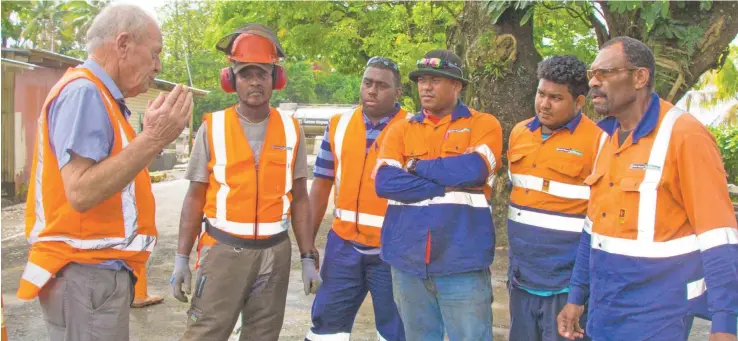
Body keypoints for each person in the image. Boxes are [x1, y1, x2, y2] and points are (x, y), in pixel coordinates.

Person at [18, 4, 192, 341]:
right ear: (123, 44)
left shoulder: (102, 97)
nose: (158, 66)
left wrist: (150, 139)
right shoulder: (86, 92)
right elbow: (81, 192)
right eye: (154, 53)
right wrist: (154, 137)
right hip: (85, 274)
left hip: (92, 275)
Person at [557, 36, 738, 341]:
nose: (593, 83)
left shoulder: (685, 136)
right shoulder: (606, 137)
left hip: (657, 316)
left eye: (605, 73)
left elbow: (719, 237)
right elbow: (594, 229)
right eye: (592, 74)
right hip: (604, 311)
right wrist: (577, 296)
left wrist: (725, 325)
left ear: (639, 77)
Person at [170, 24, 320, 341]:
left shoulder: (291, 130)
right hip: (223, 251)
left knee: (263, 335)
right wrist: (181, 258)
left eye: (262, 74)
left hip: (275, 255)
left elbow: (301, 200)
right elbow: (194, 197)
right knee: (205, 333)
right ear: (231, 80)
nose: (254, 81)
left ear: (274, 79)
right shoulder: (212, 128)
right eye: (246, 74)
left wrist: (308, 256)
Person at [373, 49, 503, 341]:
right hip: (407, 260)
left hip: (462, 261)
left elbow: (473, 170)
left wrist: (414, 165)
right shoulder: (399, 130)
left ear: (457, 85)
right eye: (421, 80)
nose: (426, 87)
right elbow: (385, 183)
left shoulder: (484, 124)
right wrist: (446, 182)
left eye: (435, 80)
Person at [304, 56, 407, 341]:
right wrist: (308, 243)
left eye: (382, 86)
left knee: (397, 331)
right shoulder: (338, 124)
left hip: (393, 249)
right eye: (367, 82)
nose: (372, 90)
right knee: (326, 327)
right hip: (343, 246)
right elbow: (321, 185)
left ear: (398, 93)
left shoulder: (413, 128)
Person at [506, 55, 598, 341]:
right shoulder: (520, 133)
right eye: (541, 93)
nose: (544, 104)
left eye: (556, 98)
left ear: (579, 102)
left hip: (565, 285)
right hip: (521, 277)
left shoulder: (599, 142)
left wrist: (579, 292)